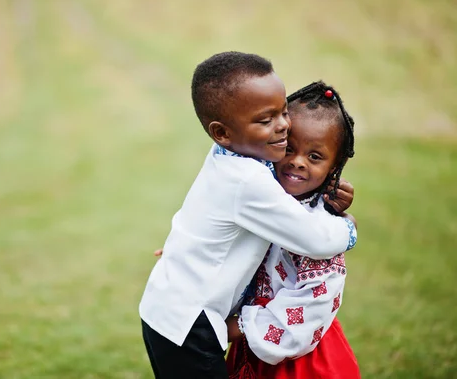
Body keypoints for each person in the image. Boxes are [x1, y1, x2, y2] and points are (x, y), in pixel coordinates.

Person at [139, 52, 357, 378]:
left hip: (167, 311)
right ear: (222, 132)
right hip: (189, 324)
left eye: (283, 112)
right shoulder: (248, 180)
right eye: (265, 120)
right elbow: (315, 239)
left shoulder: (229, 156)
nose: (283, 125)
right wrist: (347, 228)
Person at [226, 81, 360, 379]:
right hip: (251, 348)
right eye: (289, 147)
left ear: (334, 168)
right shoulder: (257, 196)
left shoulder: (320, 232)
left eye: (314, 156)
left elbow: (311, 307)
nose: (297, 162)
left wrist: (236, 327)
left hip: (298, 356)